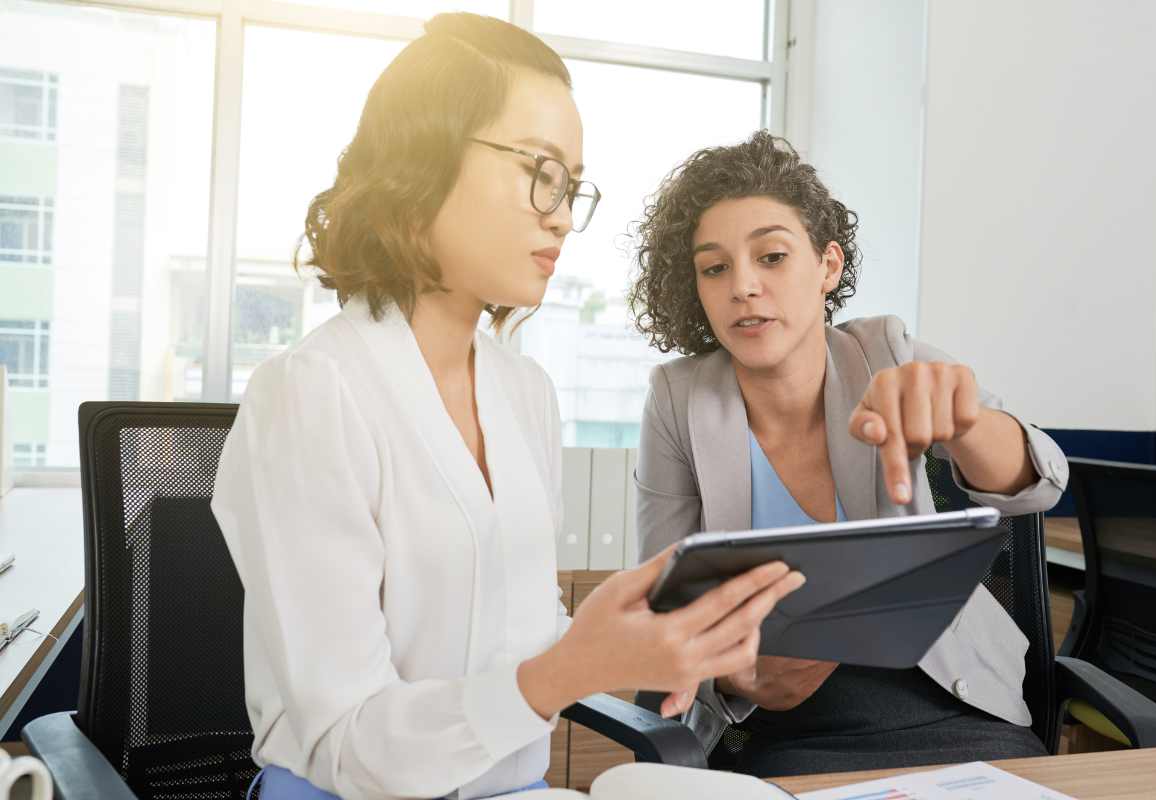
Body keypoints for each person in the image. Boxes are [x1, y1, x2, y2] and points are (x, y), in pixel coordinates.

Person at [211, 18, 805, 800]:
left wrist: (638, 638)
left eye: (572, 186)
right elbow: (347, 743)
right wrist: (570, 667)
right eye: (541, 172)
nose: (560, 214)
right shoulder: (311, 393)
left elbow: (500, 649)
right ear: (424, 159)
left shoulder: (525, 393)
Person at [628, 130, 1070, 777]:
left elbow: (1041, 485)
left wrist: (969, 422)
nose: (744, 286)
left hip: (948, 705)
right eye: (715, 267)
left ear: (827, 267)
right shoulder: (678, 398)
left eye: (772, 257)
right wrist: (737, 680)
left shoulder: (888, 352)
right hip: (774, 728)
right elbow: (662, 600)